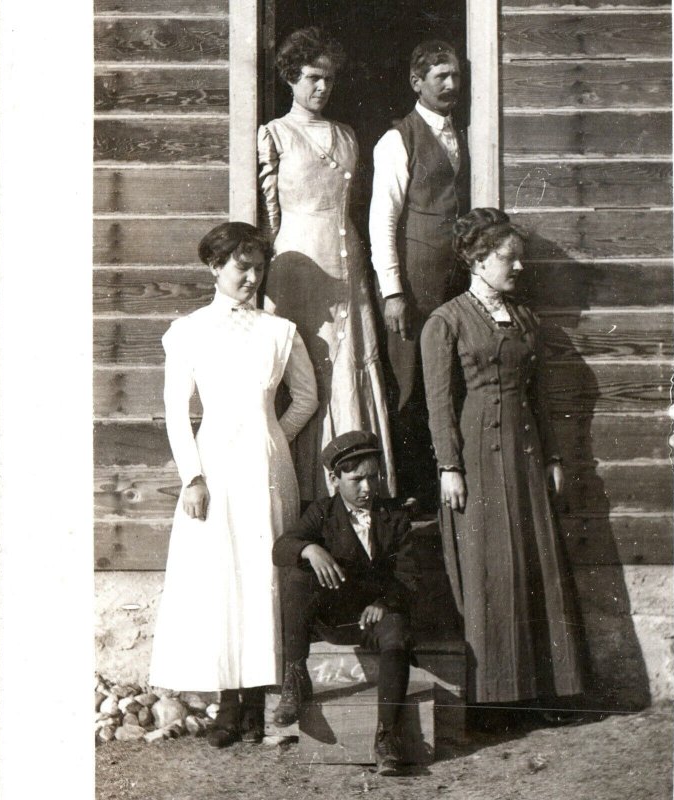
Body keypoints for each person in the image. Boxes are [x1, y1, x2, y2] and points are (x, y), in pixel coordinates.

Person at [149, 222, 318, 748]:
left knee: (262, 575)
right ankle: (227, 705)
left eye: (258, 267)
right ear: (214, 268)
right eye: (240, 267)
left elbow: (307, 398)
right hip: (213, 466)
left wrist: (275, 438)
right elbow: (177, 411)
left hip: (267, 470)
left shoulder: (278, 330)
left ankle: (255, 706)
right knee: (220, 576)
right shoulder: (189, 331)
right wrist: (192, 476)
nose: (250, 276)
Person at [420, 208, 585, 713]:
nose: (518, 268)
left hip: (527, 454)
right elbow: (439, 403)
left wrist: (553, 456)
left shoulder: (525, 318)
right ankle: (494, 701)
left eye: (520, 259)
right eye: (508, 259)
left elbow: (540, 396)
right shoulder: (445, 322)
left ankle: (550, 691)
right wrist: (449, 466)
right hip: (476, 458)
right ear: (477, 259)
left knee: (536, 563)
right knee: (490, 567)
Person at [258, 26, 396, 502]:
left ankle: (354, 486)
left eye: (330, 80)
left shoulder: (346, 135)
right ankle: (307, 490)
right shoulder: (275, 134)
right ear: (292, 78)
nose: (322, 88)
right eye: (313, 77)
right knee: (306, 367)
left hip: (347, 259)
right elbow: (270, 213)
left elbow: (350, 204)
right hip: (299, 262)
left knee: (349, 361)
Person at [271, 431, 417, 775]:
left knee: (397, 632)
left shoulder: (394, 516)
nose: (368, 488)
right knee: (296, 576)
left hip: (375, 618)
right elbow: (281, 547)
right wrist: (309, 548)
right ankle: (295, 678)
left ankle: (386, 737)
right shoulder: (323, 513)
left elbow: (409, 576)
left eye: (373, 477)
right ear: (335, 480)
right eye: (357, 480)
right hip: (334, 619)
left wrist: (384, 601)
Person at [369, 39, 470, 510]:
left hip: (455, 282)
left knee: (448, 376)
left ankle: (443, 483)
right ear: (417, 83)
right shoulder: (398, 139)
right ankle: (411, 493)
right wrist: (392, 291)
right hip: (413, 283)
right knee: (410, 382)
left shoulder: (464, 133)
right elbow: (382, 221)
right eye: (440, 77)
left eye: (455, 76)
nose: (451, 85)